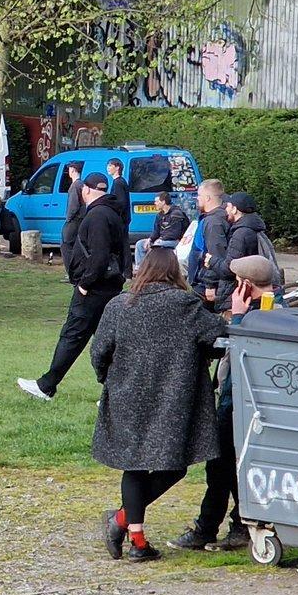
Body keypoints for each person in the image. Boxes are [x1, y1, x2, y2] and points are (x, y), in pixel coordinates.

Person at [90, 248, 232, 562]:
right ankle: (134, 539)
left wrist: (109, 380)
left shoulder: (119, 305)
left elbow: (99, 352)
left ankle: (127, 527)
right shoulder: (185, 304)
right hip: (173, 401)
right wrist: (237, 312)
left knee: (134, 465)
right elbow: (217, 338)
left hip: (127, 395)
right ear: (174, 272)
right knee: (174, 466)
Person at [171, 253, 272, 552]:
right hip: (246, 401)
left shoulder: (257, 315)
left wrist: (237, 316)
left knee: (222, 466)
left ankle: (218, 527)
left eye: (237, 282)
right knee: (226, 465)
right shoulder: (276, 308)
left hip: (239, 401)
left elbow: (243, 351)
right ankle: (222, 525)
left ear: (246, 285)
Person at [20, 170, 127, 401]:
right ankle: (115, 394)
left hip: (94, 288)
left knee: (73, 335)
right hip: (109, 286)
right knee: (106, 342)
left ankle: (47, 386)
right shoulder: (112, 213)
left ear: (86, 190)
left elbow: (99, 255)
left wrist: (85, 284)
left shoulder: (97, 216)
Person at [137, 191, 191, 270]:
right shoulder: (159, 215)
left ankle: (155, 270)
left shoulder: (176, 214)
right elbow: (156, 231)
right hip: (162, 240)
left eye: (156, 201)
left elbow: (174, 234)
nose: (155, 203)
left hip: (176, 241)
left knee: (157, 244)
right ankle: (141, 270)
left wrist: (161, 239)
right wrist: (150, 239)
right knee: (140, 244)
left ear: (163, 202)